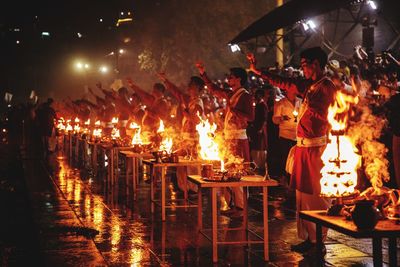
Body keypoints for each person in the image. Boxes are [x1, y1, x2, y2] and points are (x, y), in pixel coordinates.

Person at [249, 47, 337, 255]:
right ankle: (309, 237)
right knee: (301, 196)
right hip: (303, 148)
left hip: (315, 149)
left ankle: (318, 240)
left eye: (305, 63)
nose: (302, 68)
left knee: (314, 196)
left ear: (316, 64)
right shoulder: (311, 85)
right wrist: (258, 71)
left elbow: (321, 112)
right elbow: (286, 83)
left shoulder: (325, 87)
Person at [197, 63, 254, 218]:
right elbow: (214, 89)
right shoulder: (231, 94)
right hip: (229, 139)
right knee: (227, 173)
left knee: (238, 174)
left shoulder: (246, 96)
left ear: (240, 79)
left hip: (239, 139)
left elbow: (250, 117)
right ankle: (232, 205)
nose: (229, 80)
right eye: (229, 77)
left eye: (232, 77)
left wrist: (233, 110)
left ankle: (241, 208)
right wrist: (203, 73)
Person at [272, 89, 301, 188]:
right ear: (287, 91)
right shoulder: (281, 103)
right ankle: (286, 180)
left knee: (296, 159)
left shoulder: (300, 102)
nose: (294, 91)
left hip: (297, 135)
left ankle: (296, 179)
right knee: (285, 158)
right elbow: (275, 119)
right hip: (285, 135)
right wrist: (282, 118)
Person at [248, 89, 269, 177]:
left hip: (259, 130)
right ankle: (256, 166)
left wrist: (260, 129)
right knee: (255, 147)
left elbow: (264, 118)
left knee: (260, 148)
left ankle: (259, 167)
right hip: (255, 129)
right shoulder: (257, 105)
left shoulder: (262, 105)